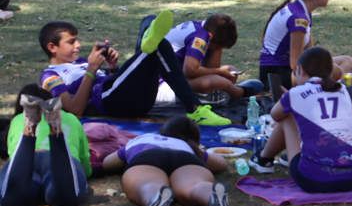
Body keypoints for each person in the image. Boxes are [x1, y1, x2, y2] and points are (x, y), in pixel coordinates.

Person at [38, 13, 229, 125]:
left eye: (77, 40)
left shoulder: (79, 61)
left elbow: (109, 81)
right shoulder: (49, 76)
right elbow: (74, 110)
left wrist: (112, 68)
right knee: (158, 45)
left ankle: (148, 36)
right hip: (109, 103)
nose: (78, 45)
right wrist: (91, 70)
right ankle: (195, 109)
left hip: (131, 97)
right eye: (71, 42)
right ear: (52, 47)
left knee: (150, 21)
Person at [267, 47, 352, 193]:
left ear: (300, 69)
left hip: (314, 178)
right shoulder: (345, 90)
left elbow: (275, 115)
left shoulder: (296, 93)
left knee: (287, 116)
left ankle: (263, 159)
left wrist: (289, 98)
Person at [102, 116, 229, 206]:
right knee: (194, 185)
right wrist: (199, 151)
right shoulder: (186, 145)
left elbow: (108, 163)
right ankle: (209, 194)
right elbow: (221, 164)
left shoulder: (142, 138)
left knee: (146, 184)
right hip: (185, 158)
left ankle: (154, 196)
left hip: (148, 156)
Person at [259, 0, 352, 91]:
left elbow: (310, 51)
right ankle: (327, 93)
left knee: (348, 62)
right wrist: (327, 71)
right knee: (336, 71)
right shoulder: (299, 19)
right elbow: (295, 64)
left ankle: (326, 90)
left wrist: (325, 64)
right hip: (277, 75)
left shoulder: (302, 11)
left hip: (286, 69)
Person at [0, 85, 90, 206]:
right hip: (61, 161)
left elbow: (12, 154)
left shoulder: (16, 119)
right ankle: (55, 129)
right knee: (65, 198)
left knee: (12, 200)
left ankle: (29, 128)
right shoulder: (72, 119)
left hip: (27, 160)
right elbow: (85, 165)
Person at [165, 14, 263, 102]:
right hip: (164, 86)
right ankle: (239, 93)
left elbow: (210, 67)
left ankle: (221, 93)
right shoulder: (199, 38)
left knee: (229, 71)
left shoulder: (204, 28)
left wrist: (217, 51)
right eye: (218, 47)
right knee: (218, 81)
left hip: (174, 79)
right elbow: (190, 71)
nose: (218, 49)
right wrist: (219, 71)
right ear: (211, 37)